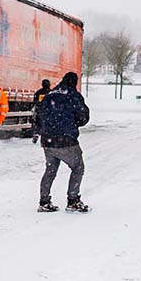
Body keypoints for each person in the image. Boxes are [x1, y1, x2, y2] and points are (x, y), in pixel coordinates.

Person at [35, 71, 91, 213]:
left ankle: (44, 201)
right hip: (66, 140)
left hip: (47, 140)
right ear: (74, 82)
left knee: (50, 170)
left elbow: (38, 116)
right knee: (78, 167)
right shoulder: (73, 96)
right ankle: (73, 201)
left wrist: (45, 130)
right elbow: (83, 116)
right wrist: (73, 124)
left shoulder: (49, 95)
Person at [31, 79, 51, 144]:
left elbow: (35, 101)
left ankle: (37, 133)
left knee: (39, 124)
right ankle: (46, 139)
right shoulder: (51, 93)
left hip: (40, 111)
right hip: (49, 112)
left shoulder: (38, 92)